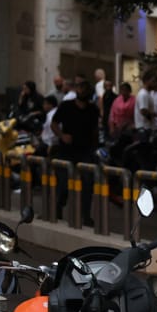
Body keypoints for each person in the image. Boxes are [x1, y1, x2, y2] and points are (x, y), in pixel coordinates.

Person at [55, 78, 100, 226]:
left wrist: (94, 148)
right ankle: (57, 208)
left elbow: (95, 130)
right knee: (63, 184)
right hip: (66, 151)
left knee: (87, 184)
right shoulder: (66, 106)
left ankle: (85, 215)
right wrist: (62, 135)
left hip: (85, 151)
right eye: (81, 89)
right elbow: (54, 123)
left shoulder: (93, 110)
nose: (83, 92)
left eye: (86, 89)